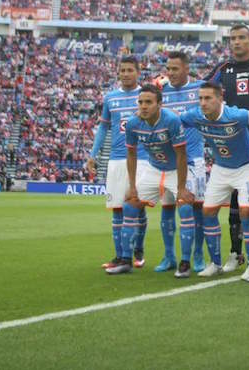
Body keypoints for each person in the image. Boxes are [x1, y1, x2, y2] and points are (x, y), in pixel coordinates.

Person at [204, 24, 249, 272]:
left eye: (241, 38)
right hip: (232, 145)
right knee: (235, 204)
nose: (236, 42)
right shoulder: (221, 70)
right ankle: (236, 253)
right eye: (233, 38)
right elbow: (204, 92)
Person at [106, 84, 195, 274]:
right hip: (154, 169)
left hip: (176, 170)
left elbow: (181, 155)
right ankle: (125, 260)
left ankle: (185, 263)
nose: (143, 106)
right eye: (140, 102)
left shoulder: (171, 120)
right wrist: (132, 187)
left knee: (185, 206)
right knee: (130, 205)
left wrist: (181, 187)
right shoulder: (133, 123)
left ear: (159, 104)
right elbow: (131, 155)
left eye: (148, 102)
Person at [179, 82, 249, 279]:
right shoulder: (195, 116)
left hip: (246, 167)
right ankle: (215, 263)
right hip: (220, 168)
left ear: (220, 99)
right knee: (208, 211)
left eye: (208, 98)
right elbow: (174, 121)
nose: (203, 103)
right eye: (200, 98)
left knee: (245, 211)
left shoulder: (235, 115)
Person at [88, 57, 149, 270]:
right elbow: (104, 128)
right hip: (115, 160)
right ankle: (120, 255)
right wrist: (93, 154)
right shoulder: (110, 98)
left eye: (130, 70)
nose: (125, 73)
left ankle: (138, 249)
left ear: (138, 72)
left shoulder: (145, 97)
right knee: (117, 210)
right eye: (122, 70)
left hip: (141, 158)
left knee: (135, 207)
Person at [156, 51, 207, 274]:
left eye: (175, 69)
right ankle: (169, 256)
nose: (171, 73)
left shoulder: (200, 90)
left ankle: (197, 254)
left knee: (194, 209)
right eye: (168, 69)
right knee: (167, 208)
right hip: (167, 161)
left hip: (193, 158)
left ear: (187, 69)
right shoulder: (161, 92)